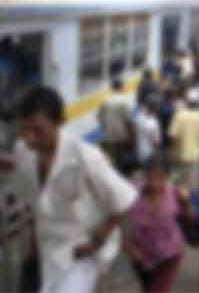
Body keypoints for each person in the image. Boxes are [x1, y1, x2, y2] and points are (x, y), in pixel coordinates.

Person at [11, 86, 137, 293]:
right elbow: (36, 206)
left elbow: (125, 200)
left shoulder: (85, 157)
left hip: (82, 248)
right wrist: (33, 249)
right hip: (48, 248)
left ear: (60, 122)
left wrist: (98, 240)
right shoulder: (22, 152)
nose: (29, 138)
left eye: (37, 130)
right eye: (24, 129)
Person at [124, 156, 194, 293]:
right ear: (144, 175)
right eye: (150, 177)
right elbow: (118, 221)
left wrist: (186, 203)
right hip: (142, 257)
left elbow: (191, 220)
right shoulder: (131, 193)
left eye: (160, 178)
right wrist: (128, 246)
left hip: (170, 254)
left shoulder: (174, 192)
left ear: (167, 177)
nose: (155, 183)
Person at [168, 89, 199, 188]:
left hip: (181, 155)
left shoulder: (179, 115)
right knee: (193, 184)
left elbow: (173, 135)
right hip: (196, 156)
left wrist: (174, 152)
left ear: (187, 101)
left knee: (181, 183)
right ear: (198, 102)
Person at [97, 78, 134, 170]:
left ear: (112, 88)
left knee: (110, 158)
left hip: (108, 134)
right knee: (120, 158)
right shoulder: (124, 101)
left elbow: (100, 118)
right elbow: (128, 120)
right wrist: (131, 136)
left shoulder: (106, 100)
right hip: (121, 134)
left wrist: (105, 128)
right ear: (121, 87)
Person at [134, 96, 161, 166]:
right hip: (149, 154)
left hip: (139, 152)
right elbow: (156, 142)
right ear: (155, 108)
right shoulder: (153, 122)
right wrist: (157, 157)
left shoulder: (138, 117)